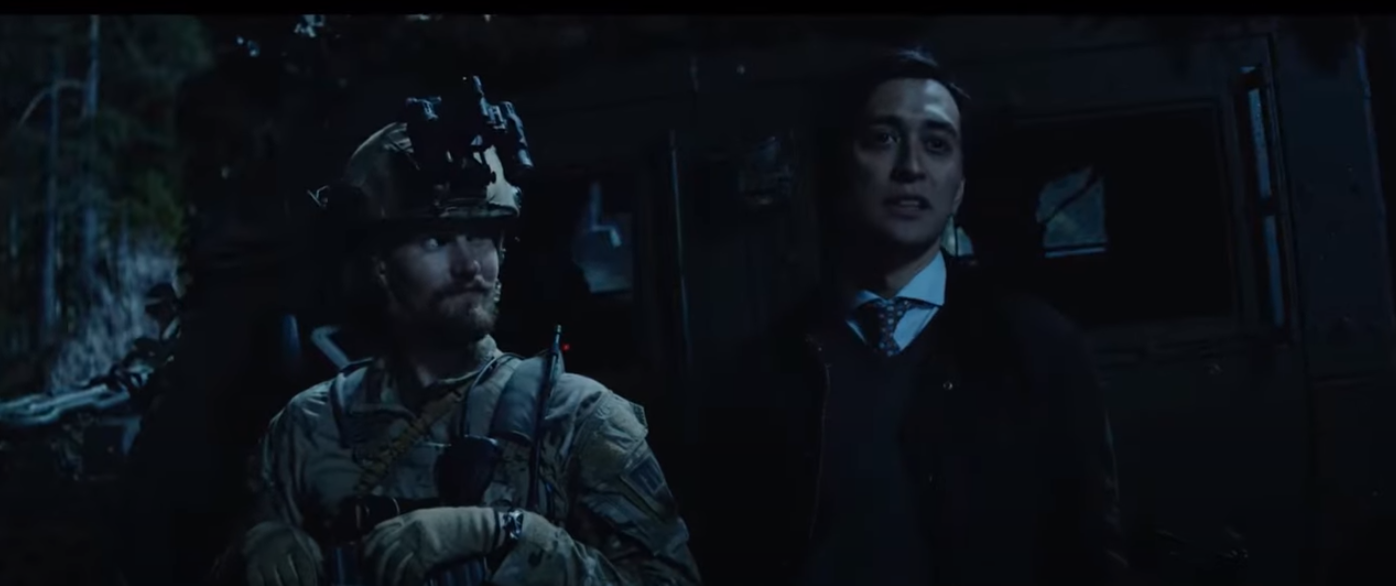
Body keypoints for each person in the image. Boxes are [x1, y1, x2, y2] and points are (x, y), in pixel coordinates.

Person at [217, 78, 700, 586]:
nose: (471, 265)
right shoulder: (308, 426)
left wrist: (514, 535)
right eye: (438, 239)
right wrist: (259, 547)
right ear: (377, 262)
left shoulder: (576, 418)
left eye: (483, 236)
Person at [693, 48, 1129, 586]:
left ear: (959, 186)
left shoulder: (1039, 348)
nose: (911, 167)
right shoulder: (760, 372)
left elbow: (1089, 552)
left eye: (937, 144)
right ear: (838, 168)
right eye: (883, 138)